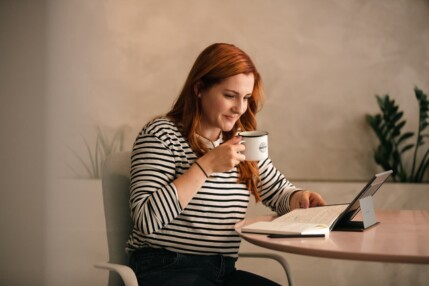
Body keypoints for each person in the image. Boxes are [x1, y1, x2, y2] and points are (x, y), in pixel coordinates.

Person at [127, 43, 326, 286]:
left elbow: (277, 191)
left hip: (223, 270)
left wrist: (299, 198)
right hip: (164, 268)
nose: (239, 108)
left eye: (246, 98)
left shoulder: (241, 140)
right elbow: (146, 219)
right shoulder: (161, 134)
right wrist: (205, 166)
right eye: (230, 96)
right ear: (199, 88)